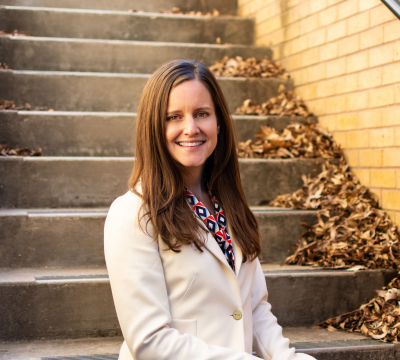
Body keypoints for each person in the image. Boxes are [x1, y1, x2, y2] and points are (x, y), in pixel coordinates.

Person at [104, 60, 316, 360]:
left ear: (218, 122)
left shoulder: (229, 205)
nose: (190, 128)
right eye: (173, 117)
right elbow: (148, 340)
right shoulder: (133, 213)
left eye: (202, 113)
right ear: (153, 126)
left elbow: (254, 309)